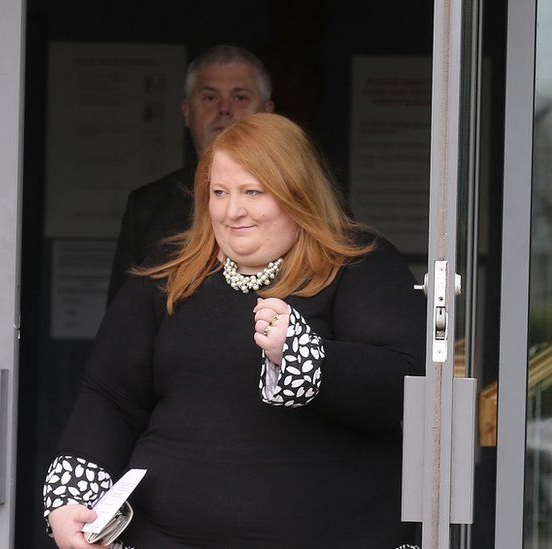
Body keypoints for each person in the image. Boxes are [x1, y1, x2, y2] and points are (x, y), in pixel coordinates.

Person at [43, 113, 424, 548]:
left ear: (296, 194)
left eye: (252, 192)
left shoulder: (358, 265)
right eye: (219, 193)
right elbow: (110, 399)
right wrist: (69, 498)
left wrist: (304, 358)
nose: (232, 211)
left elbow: (401, 384)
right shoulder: (167, 275)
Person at [107, 45, 275, 304]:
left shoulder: (300, 196)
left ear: (267, 112)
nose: (225, 109)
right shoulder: (147, 206)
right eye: (210, 98)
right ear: (187, 112)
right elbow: (122, 324)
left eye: (240, 97)